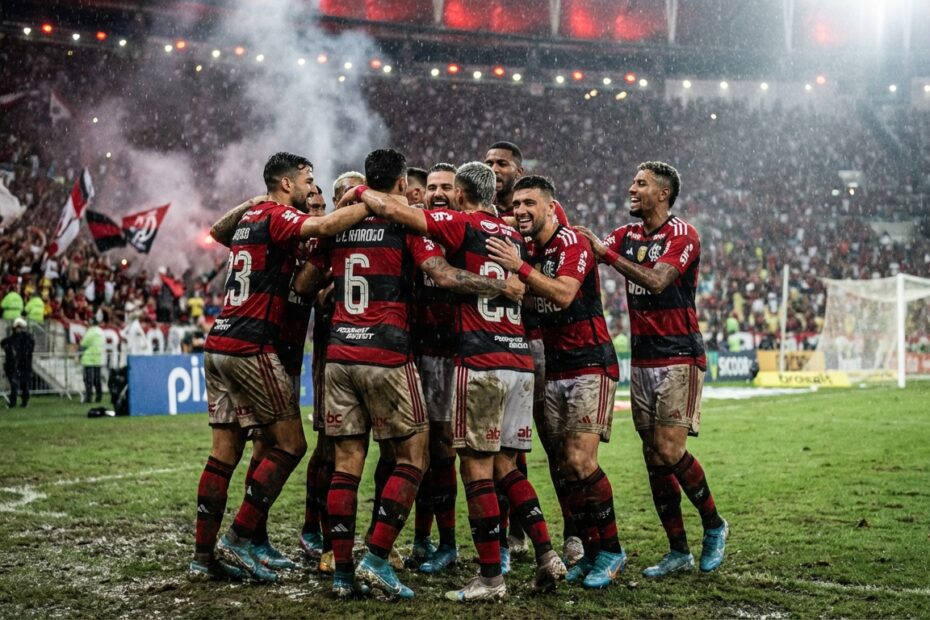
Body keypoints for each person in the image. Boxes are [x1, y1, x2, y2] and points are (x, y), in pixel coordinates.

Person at [302, 149, 524, 599]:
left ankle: (342, 572)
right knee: (414, 457)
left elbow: (305, 284)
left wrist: (336, 289)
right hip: (387, 352)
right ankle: (377, 557)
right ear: (403, 184)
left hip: (340, 353)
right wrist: (501, 285)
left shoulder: (339, 222)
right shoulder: (404, 224)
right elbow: (443, 276)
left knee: (347, 461)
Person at [345, 161, 566, 602]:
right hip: (518, 358)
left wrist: (363, 193)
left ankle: (490, 578)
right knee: (506, 466)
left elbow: (406, 220)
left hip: (479, 359)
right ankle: (547, 554)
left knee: (476, 469)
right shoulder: (512, 235)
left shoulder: (462, 224)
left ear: (461, 195)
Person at [191, 152, 371, 583]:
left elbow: (218, 232)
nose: (312, 188)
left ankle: (203, 557)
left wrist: (251, 203)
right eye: (307, 180)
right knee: (291, 445)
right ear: (287, 184)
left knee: (225, 453)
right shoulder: (277, 216)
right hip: (254, 344)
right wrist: (371, 201)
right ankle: (238, 539)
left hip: (220, 341)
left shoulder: (256, 218)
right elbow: (323, 227)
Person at [576, 161, 729, 578]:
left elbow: (658, 281)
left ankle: (714, 524)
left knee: (669, 448)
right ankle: (678, 550)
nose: (632, 188)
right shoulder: (626, 235)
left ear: (663, 193)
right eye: (632, 182)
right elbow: (588, 250)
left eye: (641, 183)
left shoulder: (683, 234)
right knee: (653, 457)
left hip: (679, 353)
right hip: (643, 357)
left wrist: (607, 255)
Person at [487, 175, 627, 589]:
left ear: (551, 207)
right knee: (565, 466)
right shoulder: (530, 249)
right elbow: (527, 294)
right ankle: (591, 549)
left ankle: (612, 550)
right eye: (516, 204)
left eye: (529, 203)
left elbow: (564, 294)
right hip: (557, 368)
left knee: (581, 461)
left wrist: (519, 269)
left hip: (590, 363)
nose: (521, 210)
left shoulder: (572, 243)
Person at [409, 162, 460, 573]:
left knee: (445, 452)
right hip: (414, 354)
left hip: (454, 355)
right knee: (414, 454)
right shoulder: (413, 230)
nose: (438, 193)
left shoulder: (468, 231)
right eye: (432, 187)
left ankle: (449, 542)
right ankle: (422, 538)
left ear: (459, 193)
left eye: (446, 187)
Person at [484, 142, 524, 217]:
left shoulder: (528, 212)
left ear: (518, 172)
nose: (493, 169)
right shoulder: (474, 208)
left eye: (502, 164)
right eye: (489, 164)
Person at [2, 317, 34, 408]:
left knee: (22, 385)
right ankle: (17, 402)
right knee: (17, 384)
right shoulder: (24, 338)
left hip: (21, 364)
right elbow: (4, 343)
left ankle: (22, 402)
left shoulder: (25, 339)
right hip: (17, 365)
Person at [80, 317, 105, 404]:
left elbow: (84, 343)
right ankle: (99, 396)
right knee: (97, 379)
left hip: (89, 357)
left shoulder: (90, 332)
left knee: (88, 379)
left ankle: (88, 397)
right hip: (98, 357)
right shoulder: (101, 331)